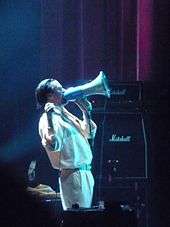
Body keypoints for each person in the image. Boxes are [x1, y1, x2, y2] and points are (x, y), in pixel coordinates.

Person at [35, 78, 97, 210]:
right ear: (50, 96)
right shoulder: (48, 119)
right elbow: (53, 145)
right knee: (78, 220)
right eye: (60, 89)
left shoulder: (64, 113)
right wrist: (50, 118)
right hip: (73, 176)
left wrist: (86, 111)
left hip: (85, 173)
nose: (64, 91)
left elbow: (89, 133)